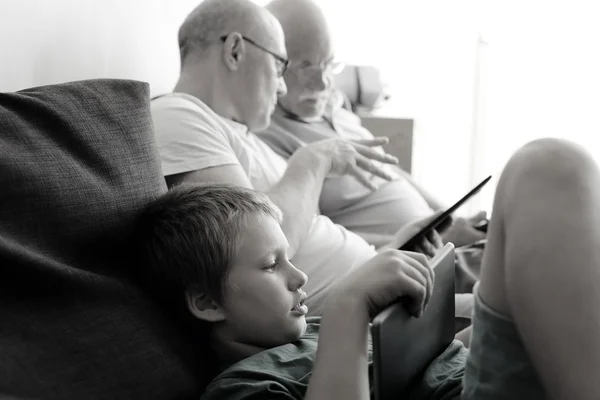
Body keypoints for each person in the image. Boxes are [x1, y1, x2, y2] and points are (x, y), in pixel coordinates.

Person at [131, 137, 600, 400]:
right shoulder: (244, 387)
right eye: (272, 265)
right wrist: (349, 307)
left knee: (552, 170)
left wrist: (443, 308)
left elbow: (428, 363)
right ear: (207, 301)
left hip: (474, 375)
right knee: (545, 168)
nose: (299, 277)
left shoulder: (311, 331)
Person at [150, 0, 454, 316]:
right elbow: (258, 252)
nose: (281, 87)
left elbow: (309, 242)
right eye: (280, 65)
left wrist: (392, 249)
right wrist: (314, 160)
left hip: (382, 290)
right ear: (236, 51)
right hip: (353, 315)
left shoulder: (247, 140)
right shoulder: (178, 114)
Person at [259, 0, 487, 249]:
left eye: (328, 64)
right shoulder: (270, 137)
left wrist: (450, 217)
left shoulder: (333, 103)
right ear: (273, 66)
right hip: (414, 256)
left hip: (441, 239)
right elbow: (319, 238)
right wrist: (438, 239)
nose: (323, 83)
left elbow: (391, 172)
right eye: (306, 67)